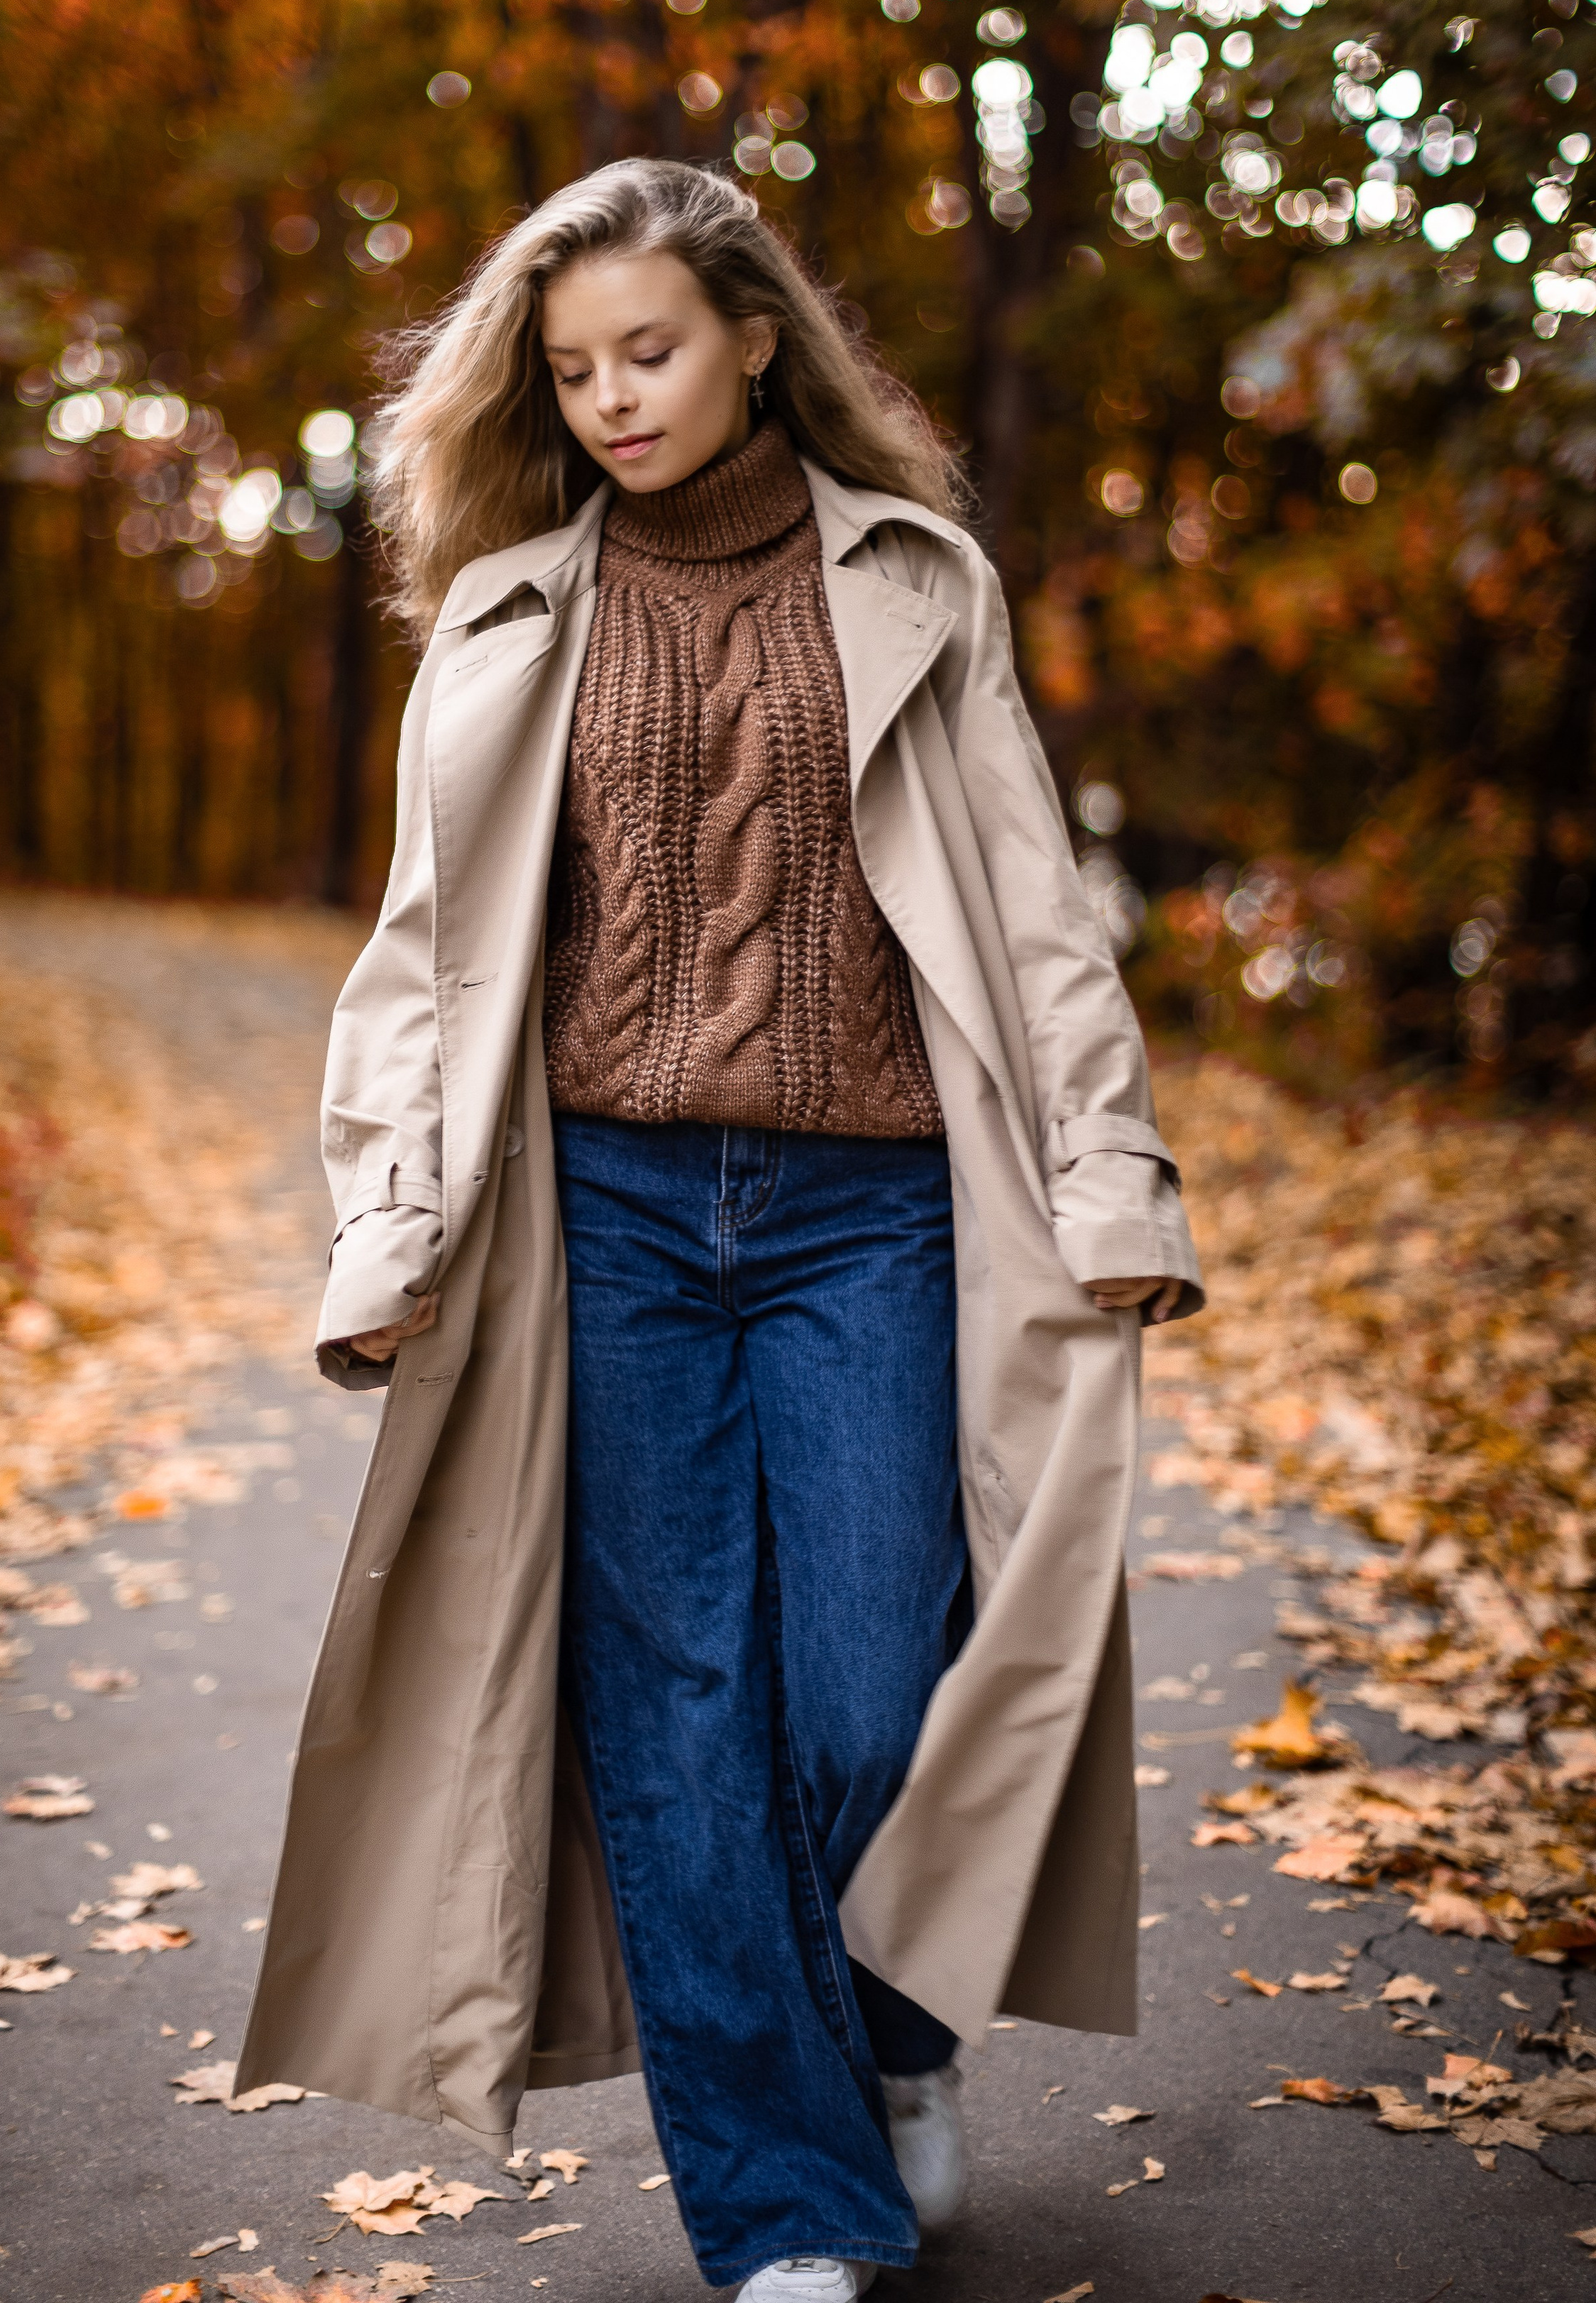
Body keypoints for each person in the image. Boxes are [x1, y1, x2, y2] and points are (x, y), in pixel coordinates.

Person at [233, 160, 1203, 2302]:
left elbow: (1038, 913)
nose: (613, 400)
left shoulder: (918, 591)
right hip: (616, 1227)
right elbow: (421, 957)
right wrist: (389, 1224)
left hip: (875, 1209)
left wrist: (1114, 1175)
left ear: (759, 337)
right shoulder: (506, 622)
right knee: (672, 1710)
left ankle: (891, 2031)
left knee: (880, 1684)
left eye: (651, 350)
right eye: (571, 371)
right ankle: (787, 2210)